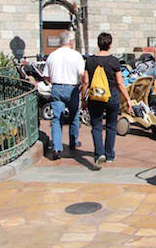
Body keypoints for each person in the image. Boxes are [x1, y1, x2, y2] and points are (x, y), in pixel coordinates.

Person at [82, 33, 133, 170]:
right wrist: (128, 99)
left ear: (98, 44)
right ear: (110, 45)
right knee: (111, 126)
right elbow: (120, 82)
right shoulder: (114, 61)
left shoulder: (89, 61)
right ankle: (109, 154)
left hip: (95, 97)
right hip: (112, 96)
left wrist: (83, 98)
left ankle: (99, 154)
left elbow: (85, 81)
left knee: (96, 126)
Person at [43, 32, 85, 160]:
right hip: (72, 88)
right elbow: (82, 74)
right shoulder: (76, 55)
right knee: (74, 116)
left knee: (56, 118)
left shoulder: (52, 55)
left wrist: (53, 82)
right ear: (71, 42)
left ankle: (56, 147)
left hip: (56, 87)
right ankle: (73, 141)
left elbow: (46, 75)